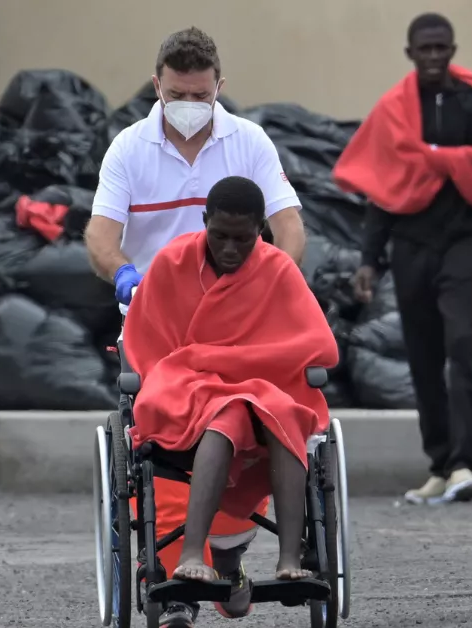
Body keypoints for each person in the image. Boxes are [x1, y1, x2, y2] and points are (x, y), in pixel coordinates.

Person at [86, 26, 305, 627]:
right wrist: (126, 275)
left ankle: (227, 549)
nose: (189, 105)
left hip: (238, 321)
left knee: (265, 416)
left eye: (200, 95)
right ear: (157, 85)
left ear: (219, 89)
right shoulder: (129, 149)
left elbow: (288, 228)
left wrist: (274, 283)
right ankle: (176, 577)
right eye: (177, 93)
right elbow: (101, 239)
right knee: (166, 437)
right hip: (157, 325)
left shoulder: (250, 142)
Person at [123, 175, 338, 596]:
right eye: (219, 236)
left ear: (262, 230)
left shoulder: (277, 269)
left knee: (281, 412)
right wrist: (201, 367)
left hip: (261, 389)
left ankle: (291, 558)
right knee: (228, 413)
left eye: (243, 239)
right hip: (186, 387)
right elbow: (149, 346)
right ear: (204, 221)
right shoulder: (172, 262)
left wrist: (230, 365)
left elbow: (316, 343)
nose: (229, 249)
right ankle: (190, 555)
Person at [334, 12, 472, 505]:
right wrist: (369, 260)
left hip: (464, 244)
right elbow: (380, 189)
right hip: (410, 248)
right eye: (424, 49)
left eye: (441, 48)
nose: (434, 56)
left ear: (452, 50)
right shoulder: (393, 111)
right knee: (423, 358)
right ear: (410, 54)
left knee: (461, 342)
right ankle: (439, 465)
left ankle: (464, 464)